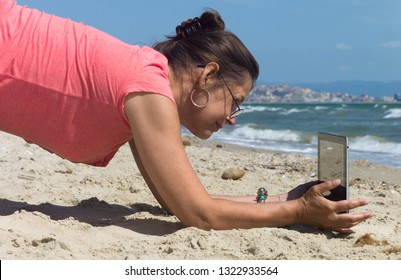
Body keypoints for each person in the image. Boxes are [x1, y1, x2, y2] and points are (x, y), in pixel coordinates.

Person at [0, 0, 373, 233]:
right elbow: (200, 214)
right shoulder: (147, 89)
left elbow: (174, 201)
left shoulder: (143, 84)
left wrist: (286, 196)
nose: (232, 118)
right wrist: (299, 213)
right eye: (234, 101)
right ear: (207, 75)